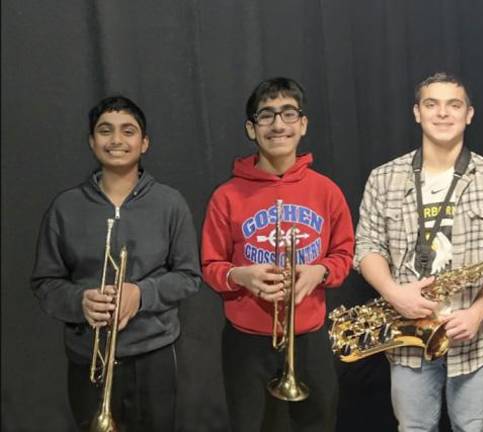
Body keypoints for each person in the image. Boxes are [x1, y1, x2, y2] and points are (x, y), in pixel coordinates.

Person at [354, 72, 483, 431]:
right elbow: (367, 246)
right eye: (432, 104)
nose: (443, 114)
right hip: (407, 337)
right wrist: (394, 293)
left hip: (473, 339)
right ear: (417, 112)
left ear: (469, 114)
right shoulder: (383, 178)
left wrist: (478, 312)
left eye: (454, 105)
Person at [30, 95, 202, 431]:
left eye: (129, 131)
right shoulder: (65, 207)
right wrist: (80, 301)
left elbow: (189, 277)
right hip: (87, 359)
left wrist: (140, 293)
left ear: (144, 142)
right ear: (92, 142)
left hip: (154, 357)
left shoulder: (170, 203)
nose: (117, 140)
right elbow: (45, 283)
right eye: (105, 131)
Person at [201, 77, 354, 432]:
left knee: (317, 422)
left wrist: (320, 272)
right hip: (247, 342)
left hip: (309, 337)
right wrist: (241, 275)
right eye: (266, 116)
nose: (278, 124)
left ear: (303, 124)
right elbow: (210, 266)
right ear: (251, 129)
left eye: (288, 113)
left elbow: (344, 253)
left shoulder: (326, 191)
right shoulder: (227, 195)